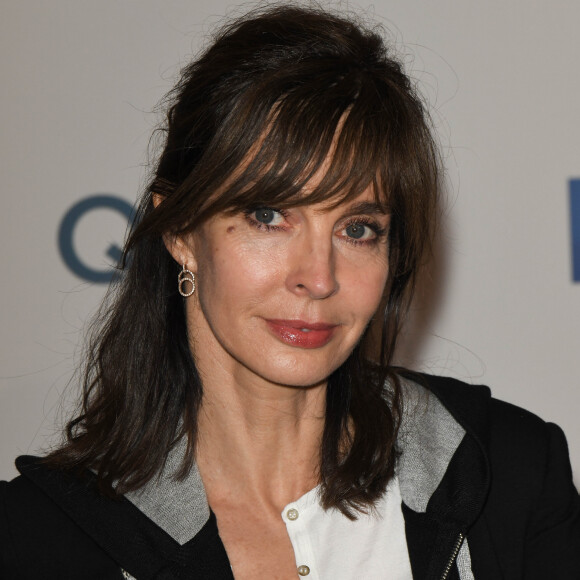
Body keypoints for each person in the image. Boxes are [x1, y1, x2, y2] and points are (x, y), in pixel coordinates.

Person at [1, 5, 579, 580]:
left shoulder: (508, 471)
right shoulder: (38, 539)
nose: (319, 277)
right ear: (180, 232)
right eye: (268, 215)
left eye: (358, 230)